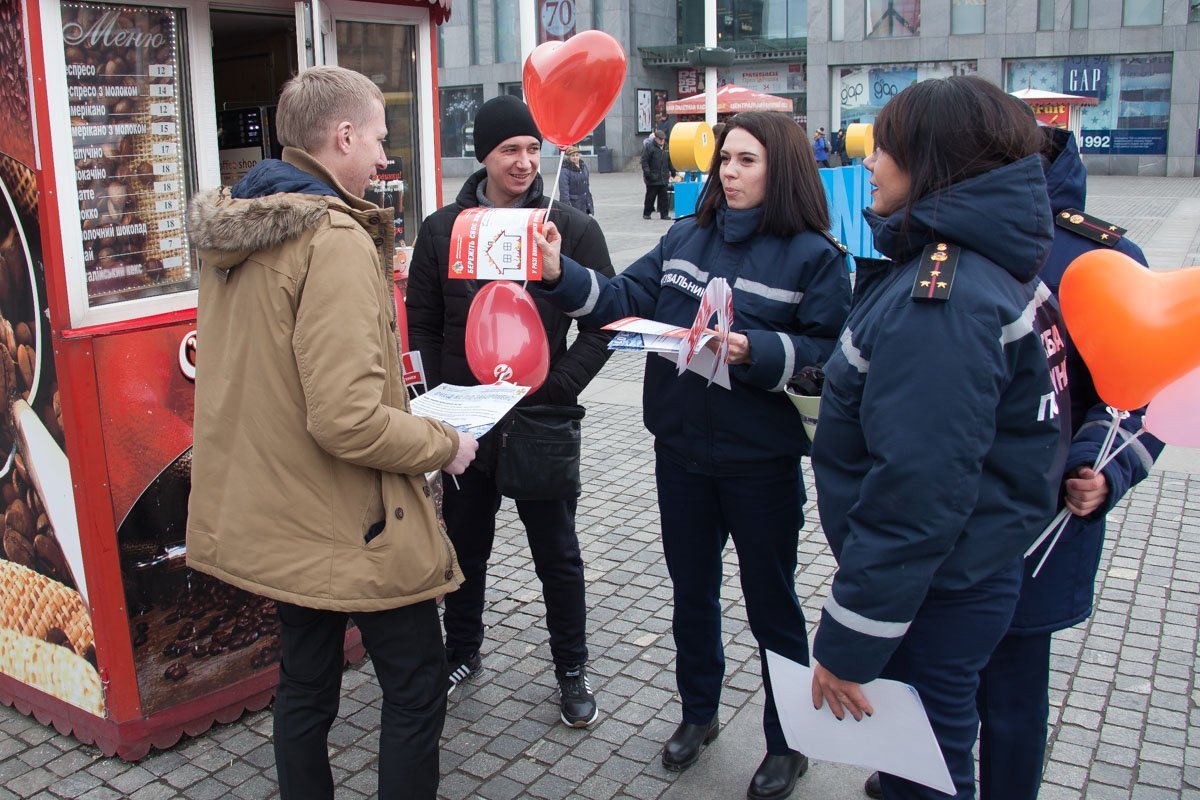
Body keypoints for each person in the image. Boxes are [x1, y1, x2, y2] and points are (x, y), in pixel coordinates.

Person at [533, 111, 852, 800]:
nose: (729, 174)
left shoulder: (815, 256)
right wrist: (560, 272)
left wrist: (753, 351)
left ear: (782, 168)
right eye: (724, 161)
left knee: (772, 607)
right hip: (679, 454)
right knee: (691, 596)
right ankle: (699, 714)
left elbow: (829, 358)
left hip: (760, 463)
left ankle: (788, 741)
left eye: (746, 161)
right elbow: (622, 301)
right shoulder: (686, 237)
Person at [186, 66, 477, 800]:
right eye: (379, 136)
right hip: (352, 519)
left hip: (283, 510)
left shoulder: (238, 227)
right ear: (343, 136)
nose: (384, 155)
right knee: (416, 687)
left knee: (306, 684)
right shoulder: (334, 237)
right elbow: (346, 418)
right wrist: (446, 443)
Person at [808, 75, 1071, 800]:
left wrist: (850, 641)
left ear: (933, 161)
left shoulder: (944, 297)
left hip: (935, 590)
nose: (868, 161)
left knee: (926, 770)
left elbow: (916, 492)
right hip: (968, 573)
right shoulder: (988, 270)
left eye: (884, 147)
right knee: (934, 750)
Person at [405, 94, 615, 728]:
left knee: (558, 554)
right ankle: (462, 651)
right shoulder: (444, 229)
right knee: (464, 549)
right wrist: (440, 403)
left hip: (541, 421)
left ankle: (571, 668)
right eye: (509, 151)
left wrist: (559, 384)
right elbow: (420, 324)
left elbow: (605, 322)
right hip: (467, 425)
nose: (524, 162)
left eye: (532, 149)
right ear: (484, 157)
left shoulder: (571, 228)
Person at [970, 126, 1164, 800]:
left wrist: (1103, 470)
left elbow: (1139, 389)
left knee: (1014, 697)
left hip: (1040, 524)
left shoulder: (1101, 259)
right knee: (934, 669)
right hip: (950, 513)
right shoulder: (946, 243)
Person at [641, 127, 673, 220]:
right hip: (653, 177)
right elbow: (644, 161)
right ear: (656, 138)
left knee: (664, 198)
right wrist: (647, 173)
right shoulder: (649, 147)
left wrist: (673, 170)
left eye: (663, 139)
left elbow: (669, 161)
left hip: (663, 177)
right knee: (650, 197)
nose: (662, 140)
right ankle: (647, 213)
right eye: (660, 139)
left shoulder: (666, 147)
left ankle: (664, 214)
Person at [558, 145, 594, 215]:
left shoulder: (583, 166)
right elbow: (564, 190)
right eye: (573, 156)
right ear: (568, 157)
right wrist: (567, 207)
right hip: (574, 203)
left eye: (577, 155)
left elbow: (586, 185)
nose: (575, 157)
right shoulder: (565, 170)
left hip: (585, 202)